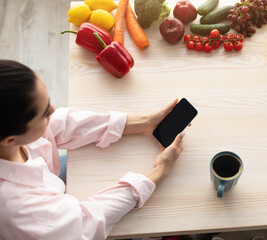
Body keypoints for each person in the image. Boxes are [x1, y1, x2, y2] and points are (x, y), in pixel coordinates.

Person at [0, 60, 185, 240]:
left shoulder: (9, 133)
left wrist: (144, 123)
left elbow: (61, 123)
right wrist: (160, 171)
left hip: (51, 184)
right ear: (9, 140)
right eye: (43, 114)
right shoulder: (18, 208)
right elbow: (86, 222)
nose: (53, 110)